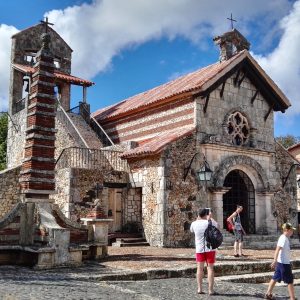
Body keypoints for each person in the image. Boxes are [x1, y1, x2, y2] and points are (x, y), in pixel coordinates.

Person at [265, 222, 297, 300]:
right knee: (289, 280)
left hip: (281, 262)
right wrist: (274, 260)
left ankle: (268, 293)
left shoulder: (284, 238)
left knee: (275, 277)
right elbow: (277, 249)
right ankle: (292, 298)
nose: (292, 232)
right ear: (286, 230)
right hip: (284, 263)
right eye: (291, 230)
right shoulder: (283, 238)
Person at [190, 208, 218, 295]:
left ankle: (199, 288)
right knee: (210, 268)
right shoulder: (210, 222)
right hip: (210, 249)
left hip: (199, 249)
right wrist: (210, 217)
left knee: (199, 268)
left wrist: (197, 219)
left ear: (198, 215)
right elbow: (217, 225)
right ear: (206, 214)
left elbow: (192, 230)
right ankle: (210, 290)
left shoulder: (194, 224)